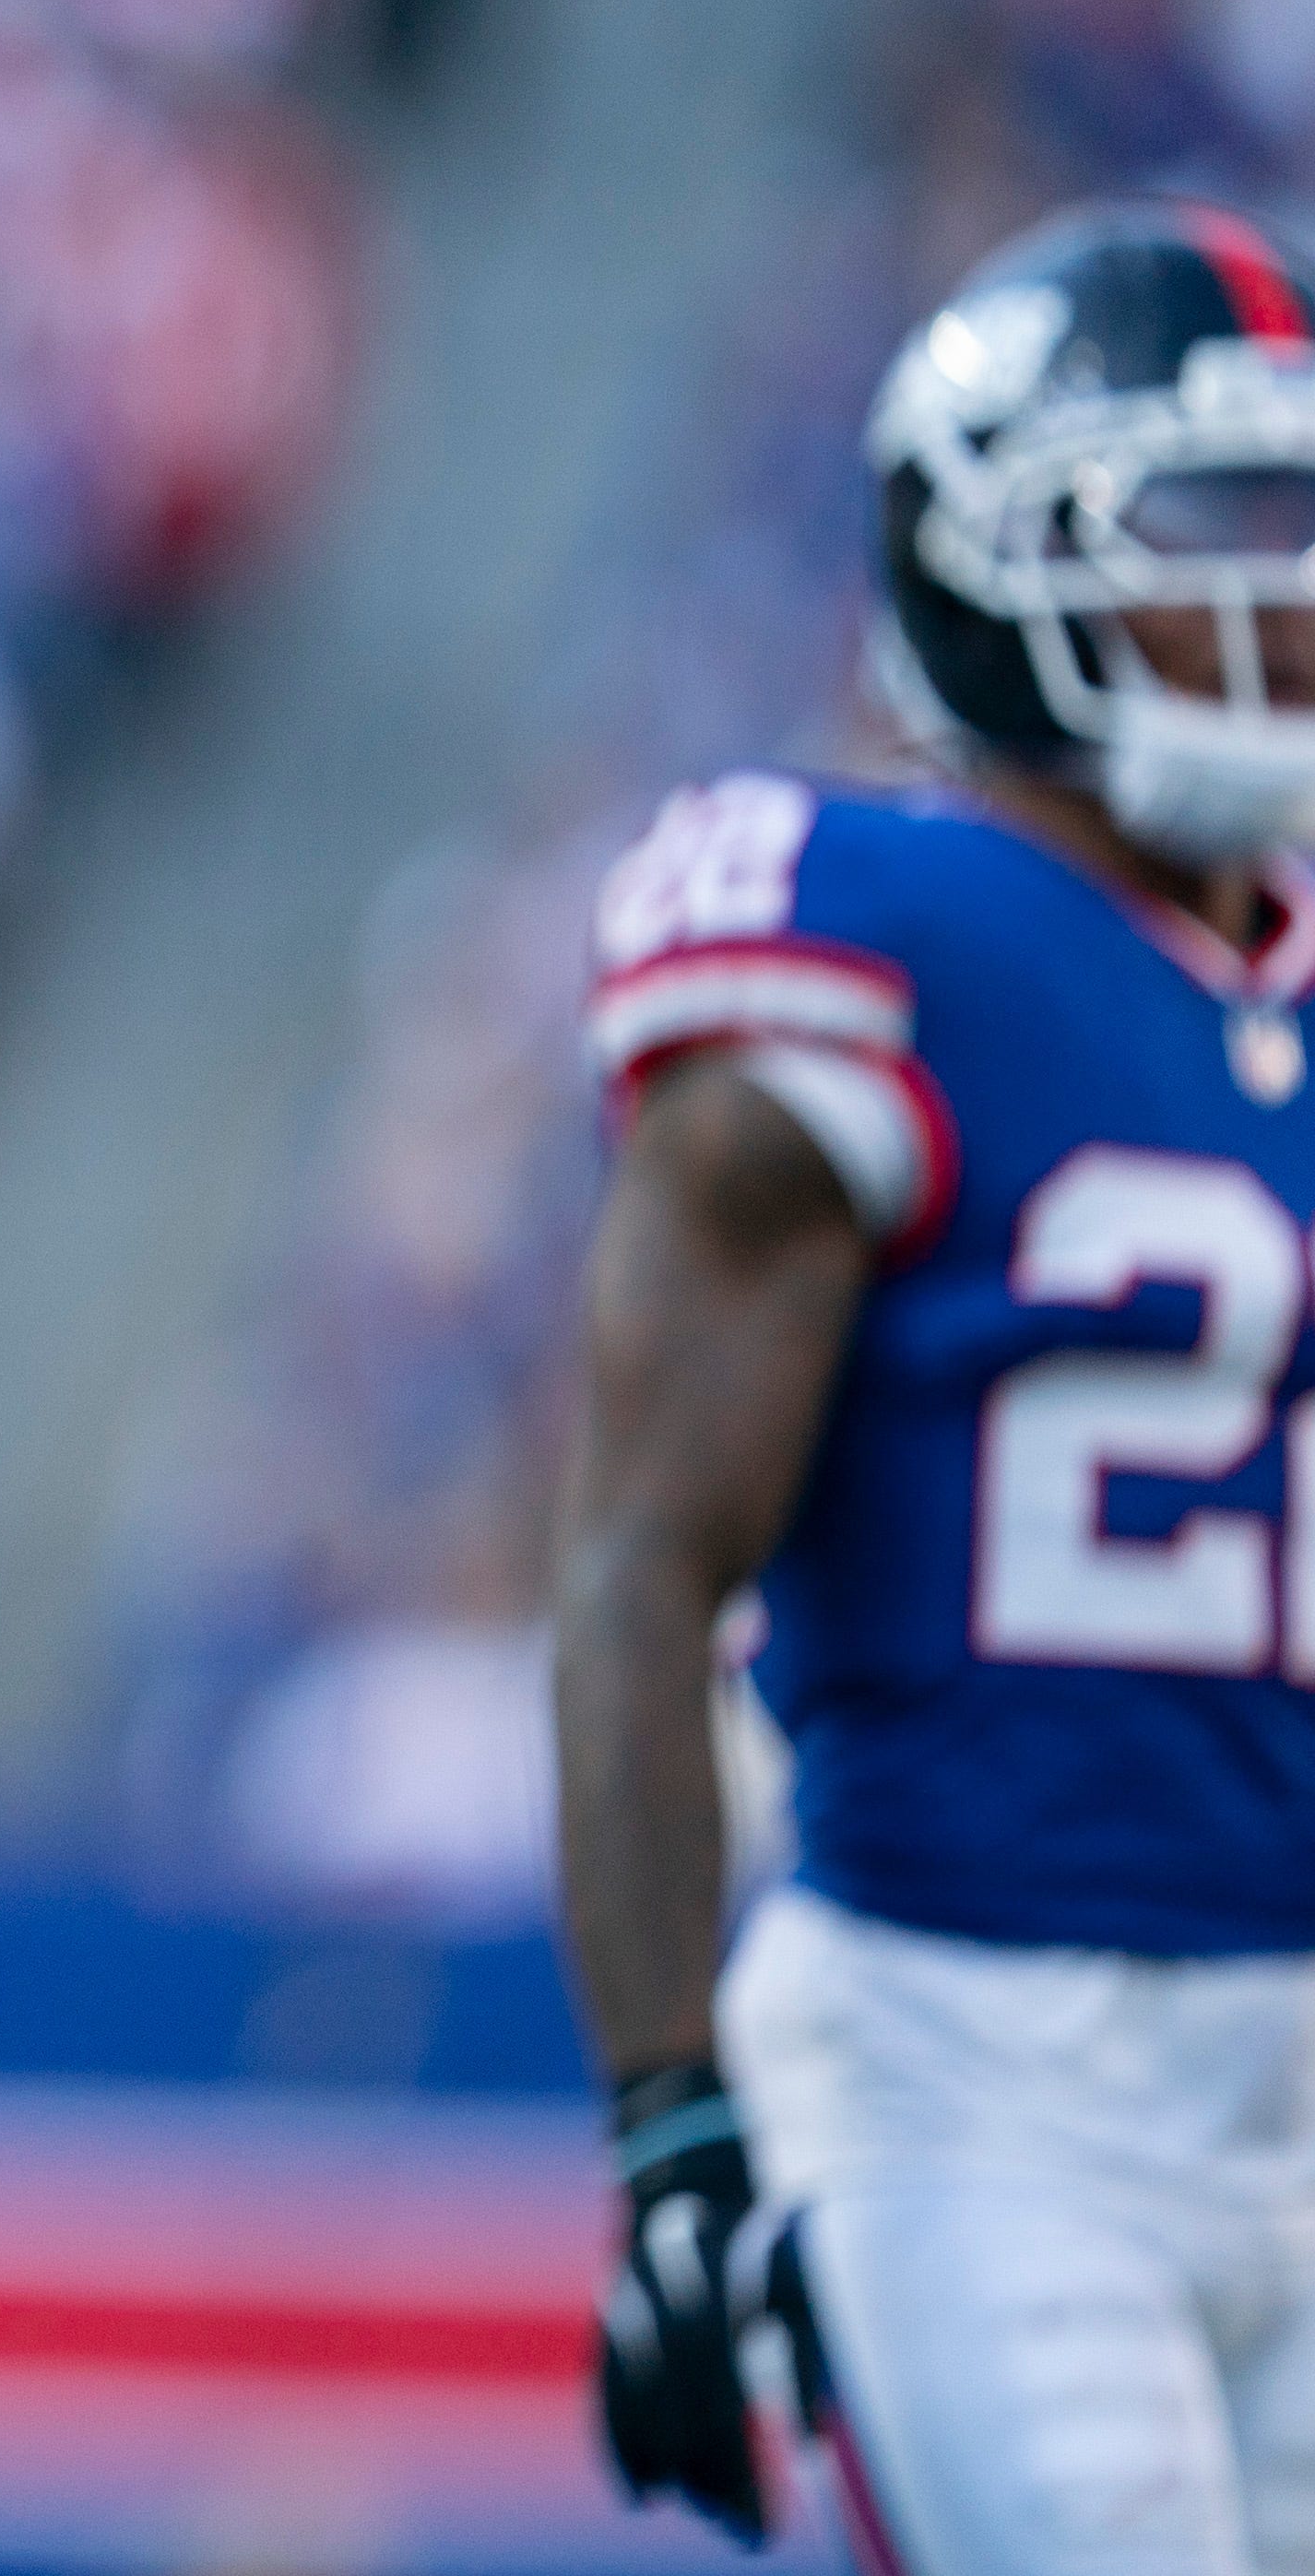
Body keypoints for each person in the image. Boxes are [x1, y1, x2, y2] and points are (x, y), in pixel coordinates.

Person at [558, 198, 1315, 2567]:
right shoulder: (868, 937)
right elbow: (640, 1567)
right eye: (1222, 520)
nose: (1290, 588)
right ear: (1000, 562)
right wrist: (674, 2126)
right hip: (979, 2070)